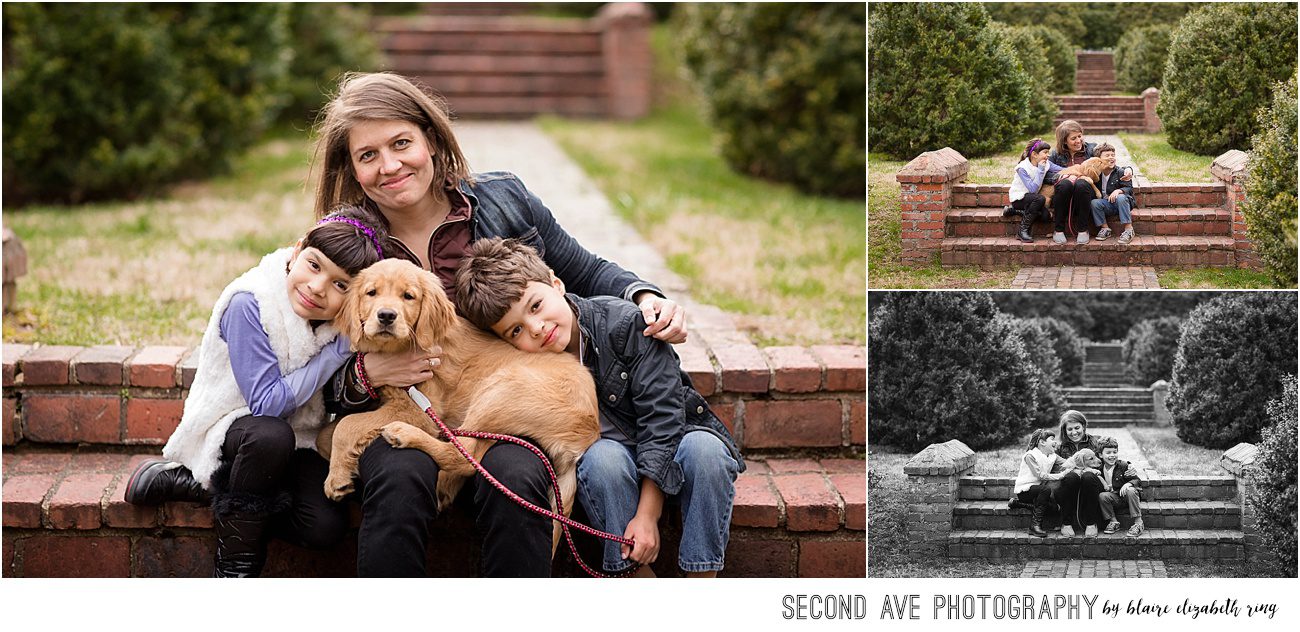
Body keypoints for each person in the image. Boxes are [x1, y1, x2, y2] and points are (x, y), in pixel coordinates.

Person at [311, 72, 689, 577]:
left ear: (432, 139)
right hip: (409, 413)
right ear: (352, 169)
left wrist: (645, 297)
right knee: (398, 474)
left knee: (519, 474)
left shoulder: (503, 199)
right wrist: (365, 377)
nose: (391, 166)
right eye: (368, 155)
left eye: (402, 143)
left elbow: (586, 271)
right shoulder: (344, 243)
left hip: (506, 412)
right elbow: (309, 351)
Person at [453, 237, 743, 577]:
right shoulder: (532, 369)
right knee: (602, 458)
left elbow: (663, 421)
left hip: (676, 441)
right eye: (516, 330)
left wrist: (648, 515)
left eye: (535, 306)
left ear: (555, 283)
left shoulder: (624, 324)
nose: (536, 328)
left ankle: (701, 577)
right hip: (612, 464)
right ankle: (634, 575)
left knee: (706, 450)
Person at [124, 207, 388, 577]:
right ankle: (235, 568)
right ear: (297, 251)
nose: (317, 287)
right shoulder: (250, 302)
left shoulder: (338, 320)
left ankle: (206, 485)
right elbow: (267, 404)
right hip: (234, 429)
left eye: (340, 284)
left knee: (324, 527)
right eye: (314, 266)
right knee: (269, 435)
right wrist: (336, 353)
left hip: (299, 441)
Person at [1046, 121, 1132, 245]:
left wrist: (1128, 169)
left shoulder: (1091, 149)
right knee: (1065, 184)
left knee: (1082, 183)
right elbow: (1046, 174)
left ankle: (1083, 229)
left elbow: (1108, 161)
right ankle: (1058, 230)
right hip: (1063, 197)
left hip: (1085, 195)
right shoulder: (1056, 155)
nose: (1078, 141)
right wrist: (1063, 175)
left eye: (1080, 136)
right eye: (1073, 138)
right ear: (1064, 141)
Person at [1053, 410, 1107, 537]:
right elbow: (1055, 468)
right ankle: (1066, 523)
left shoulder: (1096, 442)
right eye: (1070, 429)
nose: (1074, 432)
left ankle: (1091, 522)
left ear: (1084, 426)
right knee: (1071, 476)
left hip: (1092, 485)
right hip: (1068, 488)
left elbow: (1110, 457)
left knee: (1088, 476)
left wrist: (1127, 465)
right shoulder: (1060, 447)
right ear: (1064, 431)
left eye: (1077, 427)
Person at [1013, 429, 1075, 538]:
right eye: (1052, 439)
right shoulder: (1030, 456)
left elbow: (1067, 463)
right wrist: (1060, 475)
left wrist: (1081, 461)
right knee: (1045, 490)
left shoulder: (1053, 456)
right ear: (1042, 442)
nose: (1055, 442)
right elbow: (1040, 475)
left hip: (1040, 492)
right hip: (1025, 490)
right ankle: (1034, 526)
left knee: (1055, 508)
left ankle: (1017, 503)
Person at [1006, 138, 1065, 243]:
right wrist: (1041, 170)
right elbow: (1032, 189)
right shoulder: (1022, 168)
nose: (1048, 155)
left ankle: (1014, 211)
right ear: (1034, 154)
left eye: (1048, 152)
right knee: (1040, 199)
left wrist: (1078, 169)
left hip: (1033, 200)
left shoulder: (1046, 163)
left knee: (1046, 216)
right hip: (1019, 198)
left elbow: (1061, 169)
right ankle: (1022, 230)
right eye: (1045, 152)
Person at [1088, 143, 1137, 245]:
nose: (1111, 157)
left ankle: (1129, 230)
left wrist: (1118, 191)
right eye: (1107, 156)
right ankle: (1105, 228)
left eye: (1113, 155)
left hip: (1122, 203)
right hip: (1107, 205)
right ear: (1099, 159)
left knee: (1121, 197)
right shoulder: (1097, 174)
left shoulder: (1120, 172)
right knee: (1094, 203)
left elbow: (1129, 188)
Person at [1096, 437, 1145, 536]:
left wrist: (1128, 483)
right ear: (1101, 455)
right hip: (1115, 499)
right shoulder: (1099, 469)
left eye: (1115, 452)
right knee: (1102, 496)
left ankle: (1139, 523)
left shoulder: (1123, 466)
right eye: (1108, 453)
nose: (1112, 455)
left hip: (1129, 497)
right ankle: (1113, 522)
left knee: (1130, 490)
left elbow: (1137, 480)